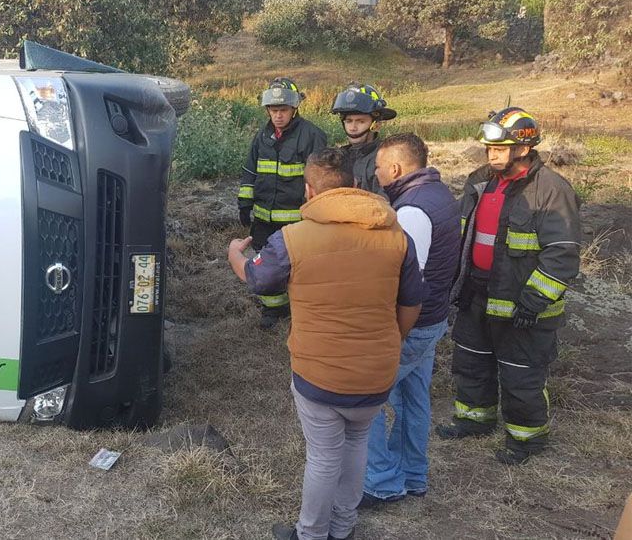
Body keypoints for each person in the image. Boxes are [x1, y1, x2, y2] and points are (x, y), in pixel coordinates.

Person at [227, 148, 424, 540]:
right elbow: (412, 303)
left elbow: (258, 279)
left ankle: (312, 533)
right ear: (355, 184)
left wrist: (235, 254)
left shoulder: (292, 239)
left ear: (309, 190)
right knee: (356, 446)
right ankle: (343, 527)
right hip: (375, 375)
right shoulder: (397, 236)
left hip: (320, 376)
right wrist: (391, 342)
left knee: (323, 456)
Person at [436, 107, 581, 465]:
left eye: (500, 149)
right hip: (476, 294)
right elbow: (463, 233)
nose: (492, 155)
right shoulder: (479, 181)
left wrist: (533, 301)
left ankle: (526, 440)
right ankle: (474, 420)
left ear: (524, 148)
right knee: (471, 363)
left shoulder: (550, 191)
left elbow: (562, 254)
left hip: (523, 305)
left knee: (521, 375)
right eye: (489, 148)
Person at [357, 133, 459, 508]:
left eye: (379, 167)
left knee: (362, 401)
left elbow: (405, 279)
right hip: (433, 319)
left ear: (396, 168)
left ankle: (381, 481)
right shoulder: (439, 194)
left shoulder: (411, 211)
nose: (377, 173)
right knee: (413, 398)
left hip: (414, 324)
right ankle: (413, 474)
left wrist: (389, 330)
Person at [238, 77, 328, 329]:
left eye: (283, 110)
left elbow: (320, 179)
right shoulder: (262, 136)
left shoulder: (312, 136)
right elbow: (250, 171)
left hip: (295, 221)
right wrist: (244, 202)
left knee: (299, 266)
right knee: (265, 262)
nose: (278, 115)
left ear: (294, 108)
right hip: (263, 218)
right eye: (273, 110)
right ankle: (272, 309)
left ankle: (299, 308)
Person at [330, 84, 397, 196]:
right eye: (349, 121)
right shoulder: (338, 159)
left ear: (376, 124)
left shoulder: (385, 160)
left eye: (361, 121)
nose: (353, 128)